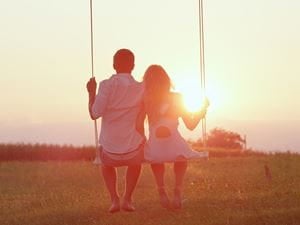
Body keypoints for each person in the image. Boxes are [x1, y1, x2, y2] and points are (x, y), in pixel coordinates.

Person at [140, 65, 209, 209]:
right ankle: (177, 191)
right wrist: (202, 110)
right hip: (175, 144)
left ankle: (161, 190)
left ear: (147, 81)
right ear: (166, 80)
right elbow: (190, 125)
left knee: (155, 158)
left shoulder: (145, 99)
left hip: (155, 147)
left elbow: (137, 123)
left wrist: (140, 141)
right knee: (181, 156)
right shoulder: (177, 98)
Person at [86, 49, 145, 213]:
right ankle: (127, 198)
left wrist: (91, 93)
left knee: (105, 164)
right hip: (133, 151)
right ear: (133, 66)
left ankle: (114, 199)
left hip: (110, 152)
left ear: (113, 65)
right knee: (136, 163)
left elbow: (94, 114)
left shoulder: (106, 85)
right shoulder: (141, 87)